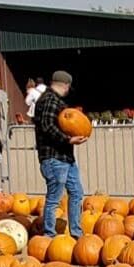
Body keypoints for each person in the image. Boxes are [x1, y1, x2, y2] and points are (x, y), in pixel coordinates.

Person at [31, 71, 84, 237]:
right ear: (65, 85)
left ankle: (76, 232)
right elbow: (47, 126)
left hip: (65, 157)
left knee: (76, 192)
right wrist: (68, 139)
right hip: (54, 157)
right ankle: (49, 234)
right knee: (54, 197)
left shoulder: (54, 100)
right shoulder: (49, 100)